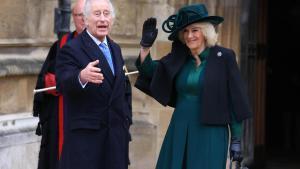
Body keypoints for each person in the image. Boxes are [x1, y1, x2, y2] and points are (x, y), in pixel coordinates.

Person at [135, 3, 252, 169]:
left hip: (211, 132)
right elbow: (150, 71)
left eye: (194, 30)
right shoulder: (180, 57)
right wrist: (145, 47)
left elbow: (236, 100)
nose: (189, 36)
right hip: (180, 127)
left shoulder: (224, 57)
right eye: (185, 31)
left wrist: (236, 140)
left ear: (205, 32)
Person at [55, 0, 132, 169]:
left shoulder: (115, 48)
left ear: (112, 19)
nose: (103, 19)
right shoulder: (72, 48)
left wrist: (126, 120)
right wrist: (81, 76)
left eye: (106, 14)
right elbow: (61, 82)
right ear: (86, 19)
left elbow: (121, 89)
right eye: (97, 14)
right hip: (86, 143)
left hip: (115, 141)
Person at [33, 0, 86, 169]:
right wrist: (54, 82)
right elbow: (44, 80)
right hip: (62, 116)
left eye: (87, 15)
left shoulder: (108, 48)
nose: (83, 20)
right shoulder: (61, 45)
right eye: (79, 16)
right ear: (73, 17)